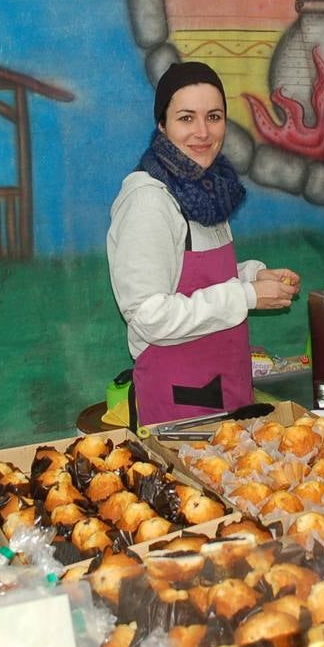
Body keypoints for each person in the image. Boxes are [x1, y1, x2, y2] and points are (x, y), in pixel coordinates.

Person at [107, 61, 301, 426]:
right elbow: (149, 316)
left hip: (231, 394)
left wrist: (254, 277)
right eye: (186, 118)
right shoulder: (149, 201)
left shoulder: (209, 191)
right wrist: (245, 295)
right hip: (179, 408)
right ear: (162, 125)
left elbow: (193, 276)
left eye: (213, 116)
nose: (202, 131)